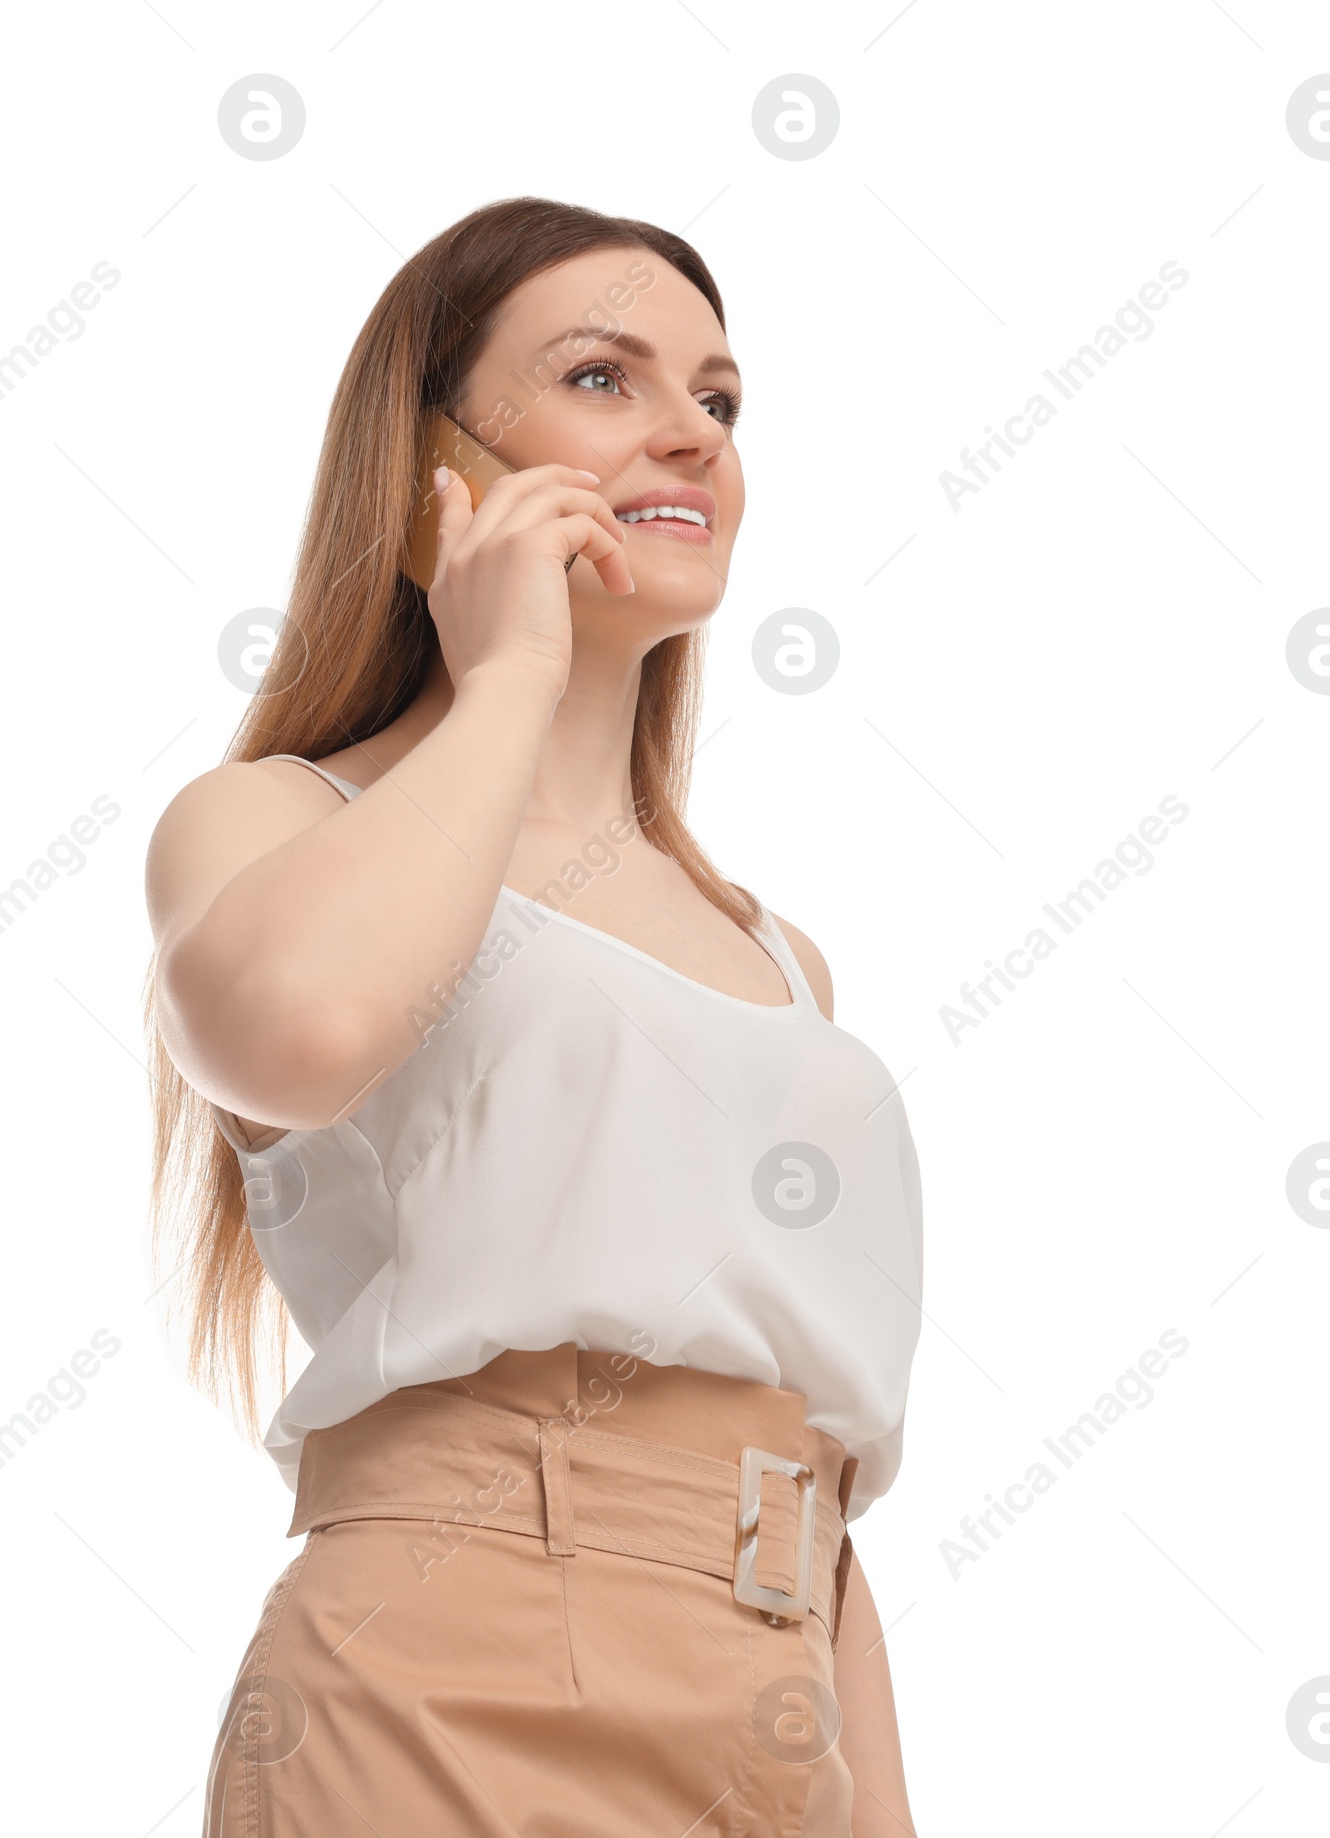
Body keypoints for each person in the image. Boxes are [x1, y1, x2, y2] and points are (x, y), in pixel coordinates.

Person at [143, 196, 923, 1837]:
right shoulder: (272, 823)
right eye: (602, 378)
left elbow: (824, 1475)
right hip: (448, 1668)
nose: (687, 434)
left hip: (780, 1695)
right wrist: (500, 673)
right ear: (436, 472)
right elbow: (291, 1032)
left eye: (718, 398)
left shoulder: (782, 957)